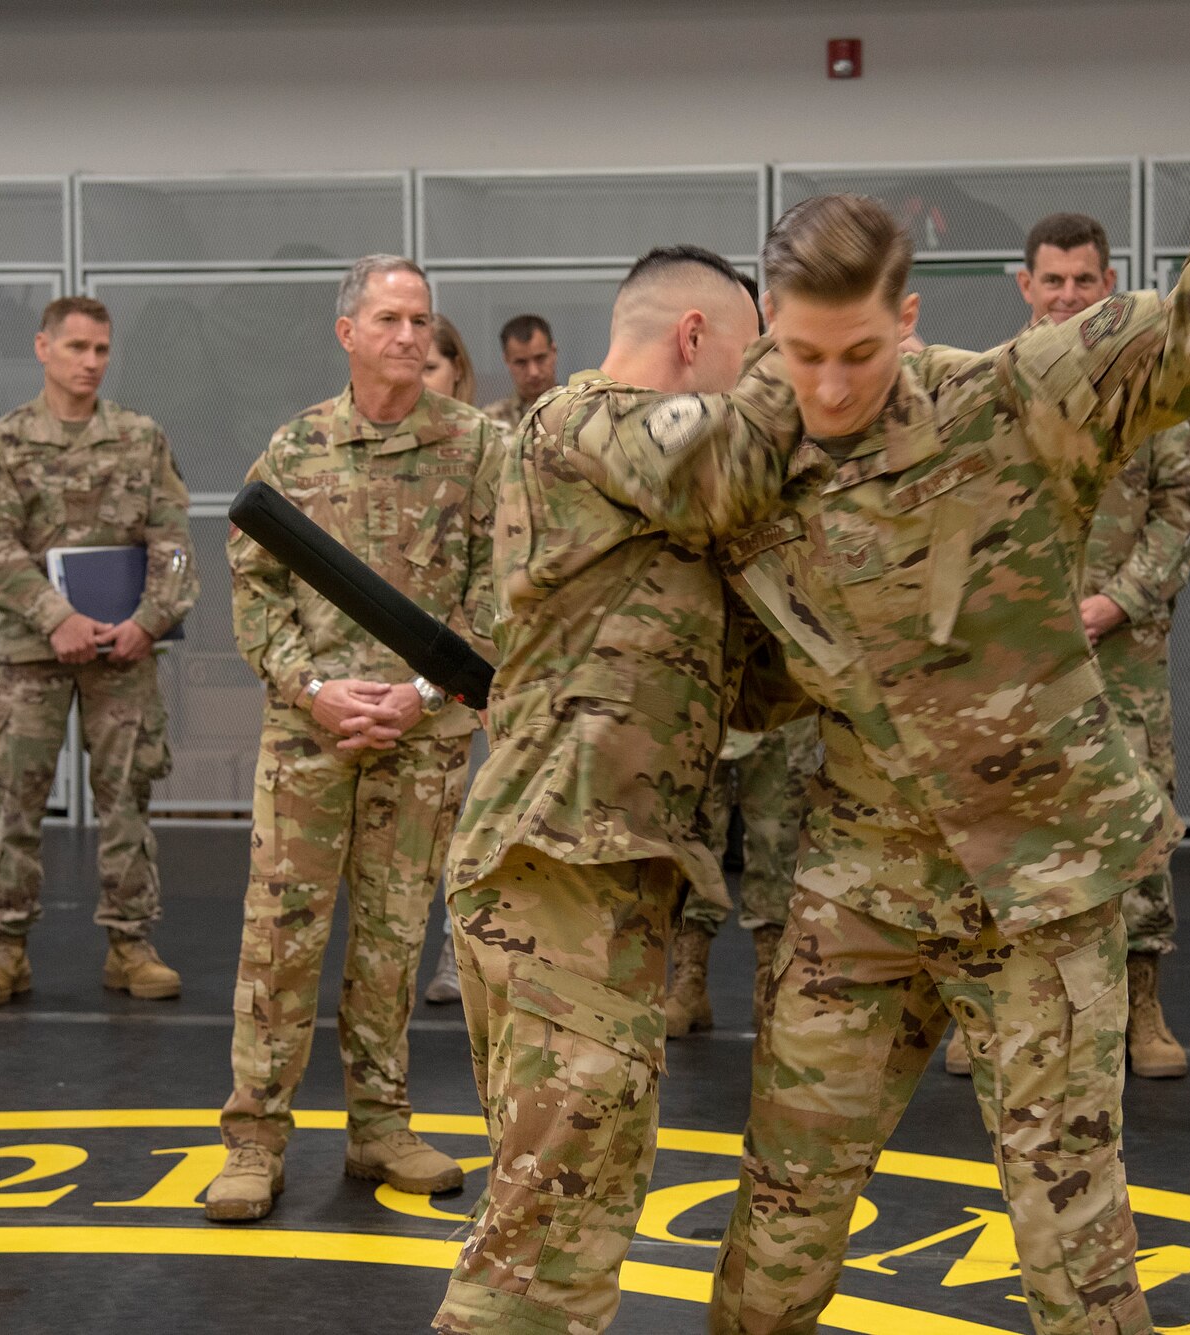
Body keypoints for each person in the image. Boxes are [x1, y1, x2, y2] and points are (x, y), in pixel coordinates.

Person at [580, 57, 1190, 1335]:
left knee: (1068, 1232)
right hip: (861, 884)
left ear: (914, 318)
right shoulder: (737, 460)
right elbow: (586, 464)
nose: (833, 388)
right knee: (782, 1209)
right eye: (806, 355)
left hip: (1041, 886)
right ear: (767, 328)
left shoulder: (1013, 404)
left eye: (863, 354)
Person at [431, 245, 799, 1335]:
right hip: (553, 866)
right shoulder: (576, 421)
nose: (753, 380)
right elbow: (724, 465)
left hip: (617, 870)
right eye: (748, 354)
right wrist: (811, 364)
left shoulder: (663, 518)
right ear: (693, 339)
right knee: (540, 1213)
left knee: (586, 1202)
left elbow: (748, 686)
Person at [205, 255, 499, 1223]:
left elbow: (501, 586)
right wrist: (315, 688)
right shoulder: (292, 454)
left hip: (422, 736)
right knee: (279, 940)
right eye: (388, 318)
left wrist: (421, 692)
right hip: (311, 737)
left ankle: (380, 1126)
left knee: (390, 938)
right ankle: (253, 1140)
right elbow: (253, 590)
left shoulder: (476, 448)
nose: (410, 336)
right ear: (346, 333)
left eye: (421, 320)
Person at [948, 210, 1190, 1082]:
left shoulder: (1151, 385)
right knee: (1001, 829)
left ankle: (1142, 1008)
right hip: (1011, 663)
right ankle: (985, 1010)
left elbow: (1181, 511)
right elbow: (957, 520)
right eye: (1051, 280)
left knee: (1134, 820)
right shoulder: (987, 385)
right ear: (1025, 286)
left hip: (1120, 653)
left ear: (1109, 283)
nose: (1066, 295)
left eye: (1083, 280)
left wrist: (1116, 601)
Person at [0, 296, 199, 1006]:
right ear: (42, 348)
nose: (90, 361)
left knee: (127, 798)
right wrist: (55, 615)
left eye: (100, 349)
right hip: (33, 651)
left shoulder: (139, 436)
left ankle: (131, 943)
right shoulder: (4, 443)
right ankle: (5, 947)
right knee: (16, 801)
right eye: (76, 348)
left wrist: (152, 620)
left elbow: (174, 541)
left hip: (125, 651)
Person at [663, 716, 823, 1036]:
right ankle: (688, 981)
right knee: (693, 842)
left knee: (779, 847)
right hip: (707, 702)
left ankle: (771, 984)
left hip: (781, 706)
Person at [421, 311, 486, 1007]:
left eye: (432, 364)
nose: (420, 376)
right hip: (408, 672)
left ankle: (460, 947)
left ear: (456, 371)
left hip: (477, 669)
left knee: (476, 817)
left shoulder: (488, 450)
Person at [481, 314, 558, 428]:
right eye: (521, 362)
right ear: (507, 360)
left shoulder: (578, 412)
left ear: (553, 352)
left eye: (540, 358)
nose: (533, 372)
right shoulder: (489, 423)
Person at [424, 313, 479, 406]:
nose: (417, 383)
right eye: (409, 370)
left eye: (429, 368)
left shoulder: (484, 420)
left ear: (458, 368)